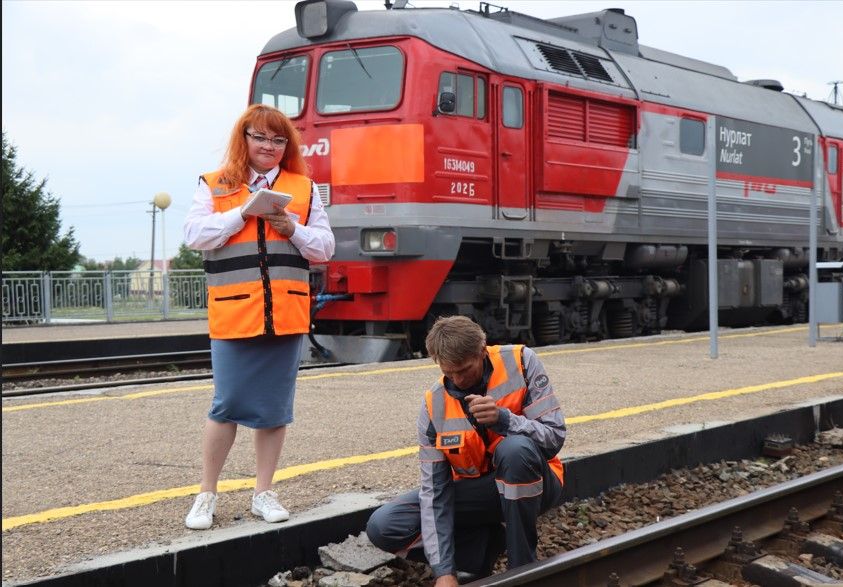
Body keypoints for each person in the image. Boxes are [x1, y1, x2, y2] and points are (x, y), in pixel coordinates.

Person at [182, 104, 334, 530]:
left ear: (287, 145)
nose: (269, 146)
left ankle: (264, 492)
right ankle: (205, 494)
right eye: (260, 137)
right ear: (244, 139)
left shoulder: (304, 188)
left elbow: (324, 247)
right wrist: (244, 212)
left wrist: (293, 229)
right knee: (226, 404)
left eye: (278, 139)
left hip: (285, 315)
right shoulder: (215, 184)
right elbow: (194, 235)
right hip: (235, 314)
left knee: (273, 409)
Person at [366, 316, 566, 585]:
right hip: (480, 495)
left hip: (538, 484)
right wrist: (444, 572)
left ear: (482, 352)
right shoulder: (433, 406)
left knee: (515, 449)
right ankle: (481, 550)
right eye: (449, 372)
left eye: (464, 369)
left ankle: (522, 570)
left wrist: (504, 420)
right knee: (384, 526)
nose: (458, 380)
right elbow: (435, 492)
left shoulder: (521, 361)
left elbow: (554, 438)